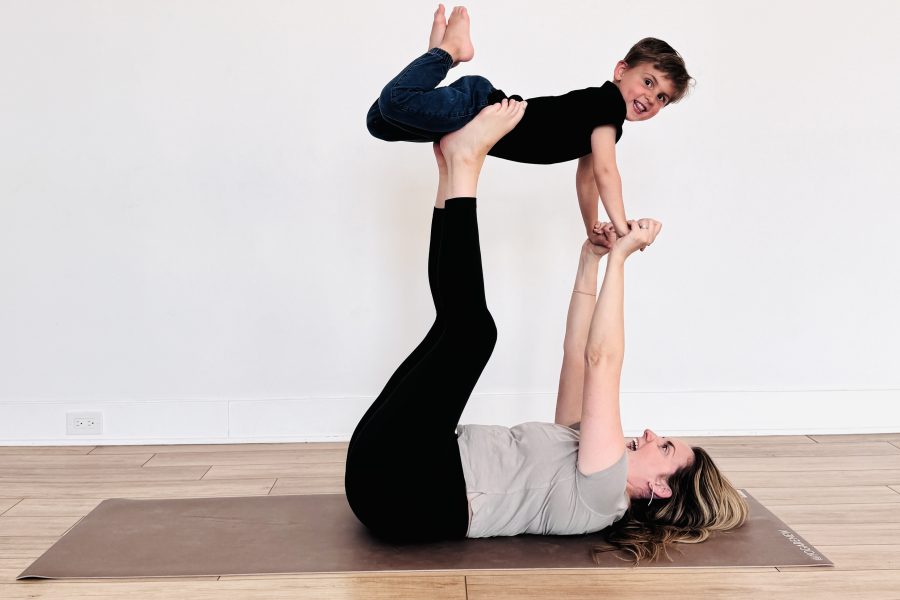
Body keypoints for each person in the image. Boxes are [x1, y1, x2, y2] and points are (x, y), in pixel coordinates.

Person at [345, 99, 747, 563]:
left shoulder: (604, 491)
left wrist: (621, 260)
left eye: (666, 447)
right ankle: (452, 173)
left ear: (658, 486)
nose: (653, 433)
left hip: (407, 489)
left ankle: (466, 166)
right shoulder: (584, 453)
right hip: (395, 471)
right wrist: (591, 260)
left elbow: (603, 360)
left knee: (472, 332)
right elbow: (578, 354)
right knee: (454, 327)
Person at [366, 4, 694, 244]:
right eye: (649, 83)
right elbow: (607, 173)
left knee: (380, 122)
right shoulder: (607, 104)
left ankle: (437, 55)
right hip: (479, 108)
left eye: (662, 98)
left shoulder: (603, 122)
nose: (652, 99)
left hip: (470, 121)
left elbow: (589, 177)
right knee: (395, 102)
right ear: (621, 71)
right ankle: (448, 52)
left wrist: (592, 226)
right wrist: (623, 229)